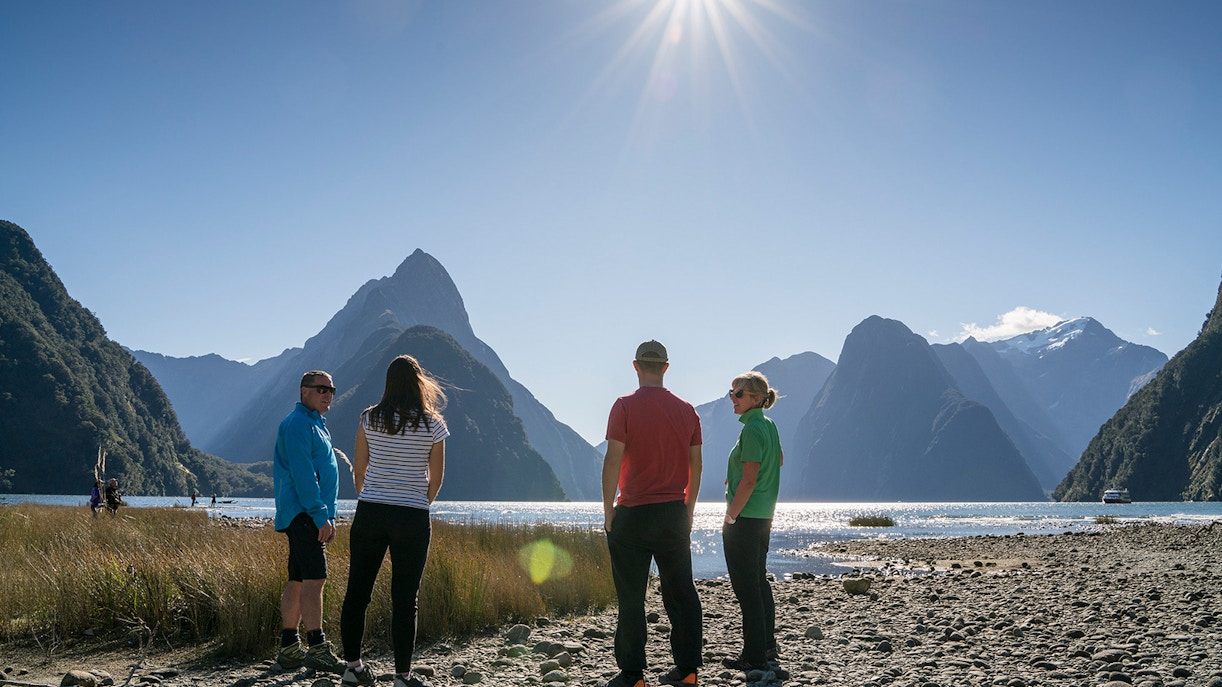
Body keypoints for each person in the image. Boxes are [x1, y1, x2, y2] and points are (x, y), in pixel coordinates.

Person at [340, 355, 448, 687]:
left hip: (371, 511)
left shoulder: (369, 419)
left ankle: (353, 668)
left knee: (358, 591)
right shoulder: (433, 425)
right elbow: (437, 480)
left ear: (388, 383)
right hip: (412, 516)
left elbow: (359, 471)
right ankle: (402, 677)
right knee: (405, 597)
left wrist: (370, 496)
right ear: (419, 383)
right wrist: (416, 503)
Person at [601, 340, 703, 687]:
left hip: (633, 512)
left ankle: (633, 676)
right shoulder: (688, 410)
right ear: (666, 367)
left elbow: (612, 460)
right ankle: (688, 670)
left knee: (631, 597)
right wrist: (687, 510)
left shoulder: (623, 406)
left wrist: (608, 512)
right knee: (681, 593)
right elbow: (696, 466)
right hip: (674, 512)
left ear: (635, 366)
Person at [273, 370, 343, 673]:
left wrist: (325, 512)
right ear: (305, 392)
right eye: (322, 389)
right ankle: (317, 647)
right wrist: (320, 515)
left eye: (331, 389)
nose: (328, 394)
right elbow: (304, 475)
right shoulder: (299, 424)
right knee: (316, 579)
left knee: (299, 580)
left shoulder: (315, 423)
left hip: (305, 512)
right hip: (304, 513)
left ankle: (289, 647)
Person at [721, 371, 786, 679]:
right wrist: (737, 476)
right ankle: (767, 648)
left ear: (756, 398)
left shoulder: (752, 430)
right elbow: (779, 459)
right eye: (732, 392)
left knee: (747, 589)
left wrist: (731, 515)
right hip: (764, 515)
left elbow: (748, 480)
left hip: (745, 518)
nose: (732, 398)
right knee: (758, 583)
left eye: (739, 394)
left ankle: (754, 659)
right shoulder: (767, 425)